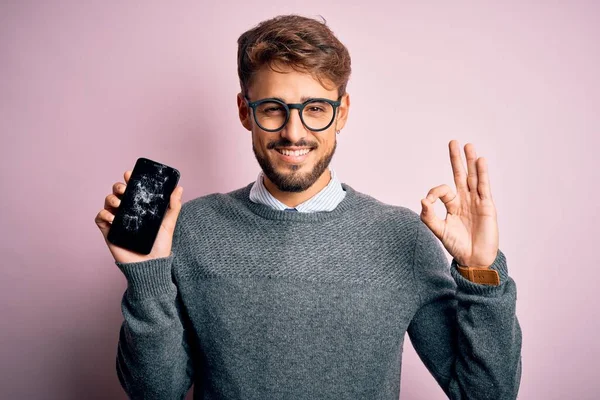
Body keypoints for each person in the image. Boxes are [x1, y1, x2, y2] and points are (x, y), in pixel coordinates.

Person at [94, 14, 522, 400]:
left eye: (315, 109)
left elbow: (486, 394)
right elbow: (154, 393)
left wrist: (481, 272)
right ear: (245, 111)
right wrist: (146, 278)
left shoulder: (404, 238)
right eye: (273, 109)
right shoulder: (189, 230)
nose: (293, 132)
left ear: (342, 113)